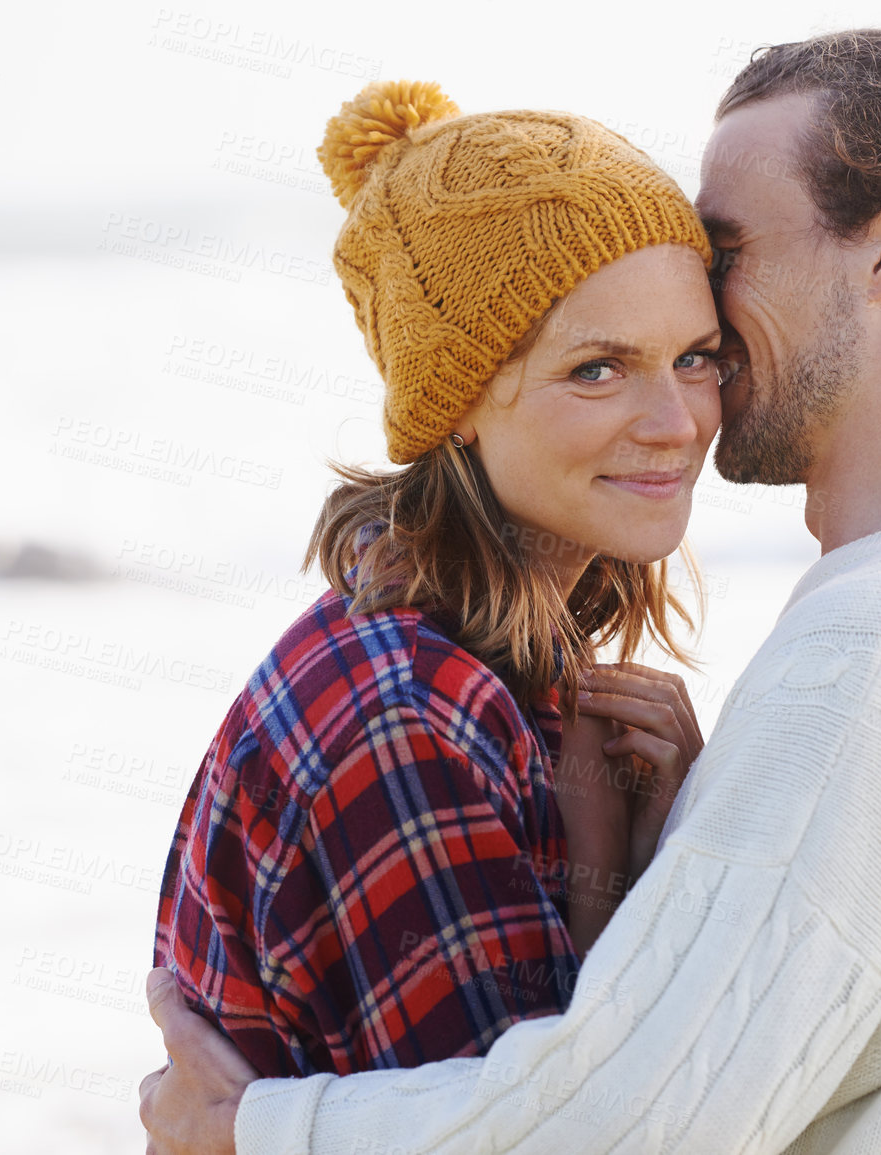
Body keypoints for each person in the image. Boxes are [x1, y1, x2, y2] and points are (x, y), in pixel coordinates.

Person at [141, 29, 881, 1154]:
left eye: (725, 253)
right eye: (599, 364)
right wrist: (670, 850)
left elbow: (621, 1118)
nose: (687, 380)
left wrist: (253, 1130)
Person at [152, 78, 733, 1081]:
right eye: (597, 368)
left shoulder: (508, 667)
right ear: (456, 402)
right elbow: (527, 1135)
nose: (677, 421)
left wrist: (641, 855)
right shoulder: (408, 715)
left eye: (696, 356)